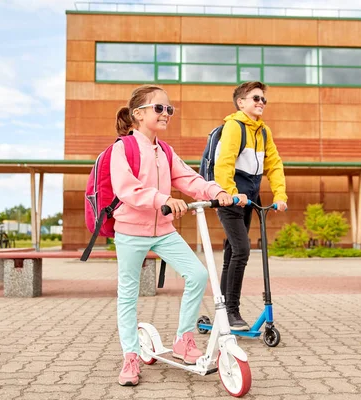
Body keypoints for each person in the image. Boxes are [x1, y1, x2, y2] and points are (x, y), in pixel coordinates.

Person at [111, 84, 233, 387]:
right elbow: (127, 189)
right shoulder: (122, 148)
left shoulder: (164, 151)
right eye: (159, 108)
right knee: (129, 293)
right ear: (138, 114)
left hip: (163, 230)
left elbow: (188, 178)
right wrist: (161, 199)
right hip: (130, 231)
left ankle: (183, 339)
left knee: (197, 274)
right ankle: (130, 355)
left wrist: (216, 190)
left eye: (169, 109)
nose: (166, 113)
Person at [213, 81, 288, 331]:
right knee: (242, 251)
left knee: (233, 253)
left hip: (250, 199)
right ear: (241, 102)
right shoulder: (234, 127)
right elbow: (224, 163)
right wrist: (232, 193)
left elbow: (274, 165)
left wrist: (280, 196)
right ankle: (232, 311)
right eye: (255, 98)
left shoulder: (263, 131)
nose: (260, 103)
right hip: (230, 198)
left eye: (263, 100)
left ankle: (222, 309)